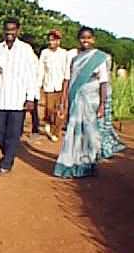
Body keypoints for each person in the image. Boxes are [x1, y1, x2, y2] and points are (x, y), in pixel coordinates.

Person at [53, 27, 124, 178]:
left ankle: (89, 165)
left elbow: (103, 82)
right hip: (76, 100)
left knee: (91, 135)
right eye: (83, 38)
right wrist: (63, 103)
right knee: (75, 133)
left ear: (93, 40)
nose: (86, 40)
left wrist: (102, 105)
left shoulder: (99, 58)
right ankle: (72, 164)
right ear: (79, 39)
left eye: (89, 38)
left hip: (93, 102)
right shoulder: (74, 59)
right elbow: (67, 80)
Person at [0, 18, 38, 176]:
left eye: (12, 30)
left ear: (18, 31)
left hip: (18, 99)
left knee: (14, 133)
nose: (9, 33)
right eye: (7, 30)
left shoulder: (26, 50)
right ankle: (8, 152)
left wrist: (30, 98)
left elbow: (32, 75)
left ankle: (7, 162)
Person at [39, 30, 68, 142]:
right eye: (50, 40)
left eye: (54, 40)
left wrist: (66, 82)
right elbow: (41, 69)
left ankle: (56, 132)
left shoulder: (63, 53)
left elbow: (66, 69)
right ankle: (48, 122)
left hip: (60, 85)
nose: (52, 42)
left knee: (59, 109)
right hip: (49, 85)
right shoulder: (45, 53)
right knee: (49, 108)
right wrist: (39, 83)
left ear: (58, 41)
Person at [21, 33, 42, 136]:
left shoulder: (32, 57)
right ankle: (33, 127)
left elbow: (37, 74)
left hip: (31, 86)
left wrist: (36, 86)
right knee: (28, 109)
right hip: (25, 86)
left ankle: (35, 127)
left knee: (31, 109)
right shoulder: (28, 56)